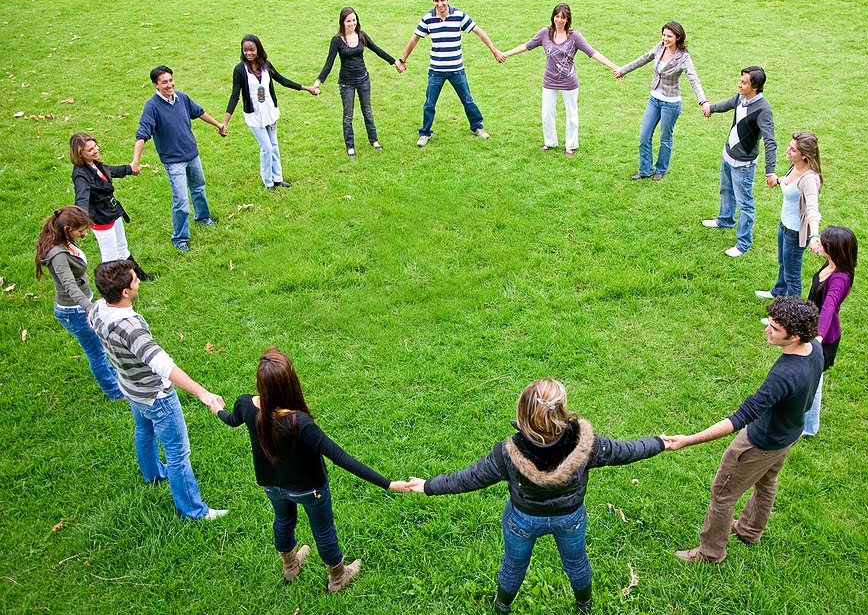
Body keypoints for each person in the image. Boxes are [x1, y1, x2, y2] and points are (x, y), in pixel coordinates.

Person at [408, 378, 668, 614]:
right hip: (570, 518)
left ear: (522, 411)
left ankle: (502, 607)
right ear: (561, 408)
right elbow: (628, 450)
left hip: (523, 520)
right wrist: (660, 442)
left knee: (513, 565)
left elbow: (467, 478)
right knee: (576, 562)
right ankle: (585, 606)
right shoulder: (588, 444)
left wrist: (427, 486)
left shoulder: (506, 453)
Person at [214, 347, 410, 589]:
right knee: (323, 530)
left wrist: (217, 409)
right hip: (309, 489)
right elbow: (340, 457)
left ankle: (290, 567)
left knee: (283, 521)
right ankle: (338, 577)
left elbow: (231, 419)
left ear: (260, 383)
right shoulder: (299, 422)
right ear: (290, 384)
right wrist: (388, 484)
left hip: (272, 486)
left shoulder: (245, 404)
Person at [667, 296, 823, 564]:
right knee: (767, 483)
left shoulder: (784, 375)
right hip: (788, 435)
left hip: (759, 444)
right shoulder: (815, 349)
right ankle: (750, 531)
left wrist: (688, 440)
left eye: (775, 328)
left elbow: (740, 417)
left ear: (796, 335)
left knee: (722, 495)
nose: (767, 330)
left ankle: (710, 553)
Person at [89, 259, 227, 520]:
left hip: (131, 387)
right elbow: (163, 365)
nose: (138, 280)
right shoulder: (130, 328)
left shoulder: (98, 309)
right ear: (125, 292)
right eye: (135, 279)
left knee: (144, 431)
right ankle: (193, 511)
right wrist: (203, 393)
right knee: (178, 454)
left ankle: (152, 474)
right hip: (156, 396)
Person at [501, 3, 618, 156]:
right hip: (550, 80)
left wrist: (613, 66)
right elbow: (527, 46)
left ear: (568, 19)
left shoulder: (574, 36)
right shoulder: (545, 33)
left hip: (569, 82)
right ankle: (550, 142)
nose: (559, 20)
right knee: (547, 114)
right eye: (557, 17)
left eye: (563, 17)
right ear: (553, 17)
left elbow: (592, 52)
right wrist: (505, 54)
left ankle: (571, 145)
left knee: (572, 115)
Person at [132, 65, 227, 253]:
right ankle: (180, 239)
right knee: (181, 201)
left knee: (199, 188)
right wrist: (135, 161)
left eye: (170, 80)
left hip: (192, 155)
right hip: (173, 161)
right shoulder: (152, 107)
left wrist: (218, 125)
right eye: (164, 82)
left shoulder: (181, 98)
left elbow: (199, 112)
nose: (169, 85)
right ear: (156, 85)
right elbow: (142, 134)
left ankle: (203, 218)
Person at [35, 206, 123, 401]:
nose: (84, 234)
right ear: (67, 229)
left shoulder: (63, 241)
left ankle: (113, 375)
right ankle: (115, 393)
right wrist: (89, 308)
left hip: (80, 306)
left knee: (100, 346)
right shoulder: (58, 256)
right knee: (96, 353)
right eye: (81, 230)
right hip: (74, 312)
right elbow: (70, 286)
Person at [400, 0, 504, 147]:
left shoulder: (459, 16)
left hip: (457, 70)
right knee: (429, 104)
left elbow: (479, 32)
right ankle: (425, 133)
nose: (440, 4)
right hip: (436, 71)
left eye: (442, 0)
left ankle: (477, 127)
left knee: (467, 100)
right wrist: (403, 59)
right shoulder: (428, 18)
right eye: (436, 1)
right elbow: (415, 38)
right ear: (433, 1)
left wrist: (495, 51)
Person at [615, 21, 708, 181]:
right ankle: (645, 170)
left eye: (669, 36)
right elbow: (643, 58)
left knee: (665, 138)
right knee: (644, 136)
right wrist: (623, 70)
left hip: (671, 104)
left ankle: (661, 169)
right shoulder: (660, 47)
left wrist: (703, 101)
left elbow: (694, 79)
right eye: (664, 35)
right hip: (654, 99)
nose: (665, 38)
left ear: (678, 37)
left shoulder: (683, 57)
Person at [700, 66, 777, 257]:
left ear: (755, 86)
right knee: (726, 190)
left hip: (743, 165)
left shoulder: (763, 110)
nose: (739, 85)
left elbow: (770, 141)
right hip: (728, 156)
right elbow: (727, 104)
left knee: (745, 204)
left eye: (744, 82)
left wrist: (770, 171)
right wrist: (710, 108)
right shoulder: (740, 98)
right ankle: (725, 219)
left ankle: (743, 244)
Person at [223, 35, 317, 191]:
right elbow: (234, 96)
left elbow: (283, 81)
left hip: (270, 111)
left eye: (252, 50)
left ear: (258, 49)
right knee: (266, 147)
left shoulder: (266, 65)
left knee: (274, 145)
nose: (248, 53)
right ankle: (268, 182)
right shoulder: (239, 70)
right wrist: (225, 122)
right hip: (254, 115)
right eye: (245, 50)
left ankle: (278, 179)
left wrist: (307, 88)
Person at [313, 7, 405, 158]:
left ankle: (374, 140)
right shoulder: (337, 40)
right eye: (348, 21)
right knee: (348, 116)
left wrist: (395, 62)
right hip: (346, 83)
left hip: (364, 80)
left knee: (367, 111)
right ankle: (350, 146)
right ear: (342, 22)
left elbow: (377, 50)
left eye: (354, 20)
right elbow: (329, 63)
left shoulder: (361, 35)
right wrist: (318, 82)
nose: (352, 24)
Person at [69, 133, 154, 280]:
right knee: (110, 259)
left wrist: (130, 169)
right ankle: (110, 288)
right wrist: (81, 221)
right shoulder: (80, 175)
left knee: (122, 249)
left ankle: (140, 277)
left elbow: (111, 171)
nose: (95, 150)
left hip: (113, 212)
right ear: (80, 154)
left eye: (95, 146)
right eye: (90, 150)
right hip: (101, 220)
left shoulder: (95, 164)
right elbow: (81, 199)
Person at [803, 226, 857, 436]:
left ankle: (809, 428)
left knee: (814, 382)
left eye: (823, 243)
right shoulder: (832, 263)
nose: (819, 244)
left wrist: (818, 338)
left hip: (823, 338)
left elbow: (829, 308)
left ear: (834, 250)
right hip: (811, 329)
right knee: (806, 377)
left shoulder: (839, 279)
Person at [755, 132, 823, 299]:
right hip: (784, 225)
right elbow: (789, 181)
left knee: (792, 275)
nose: (787, 151)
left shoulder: (809, 180)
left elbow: (812, 210)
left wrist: (815, 236)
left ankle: (793, 311)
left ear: (804, 155)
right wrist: (777, 180)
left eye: (793, 150)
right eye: (789, 146)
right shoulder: (795, 166)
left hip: (795, 233)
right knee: (783, 263)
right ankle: (778, 292)